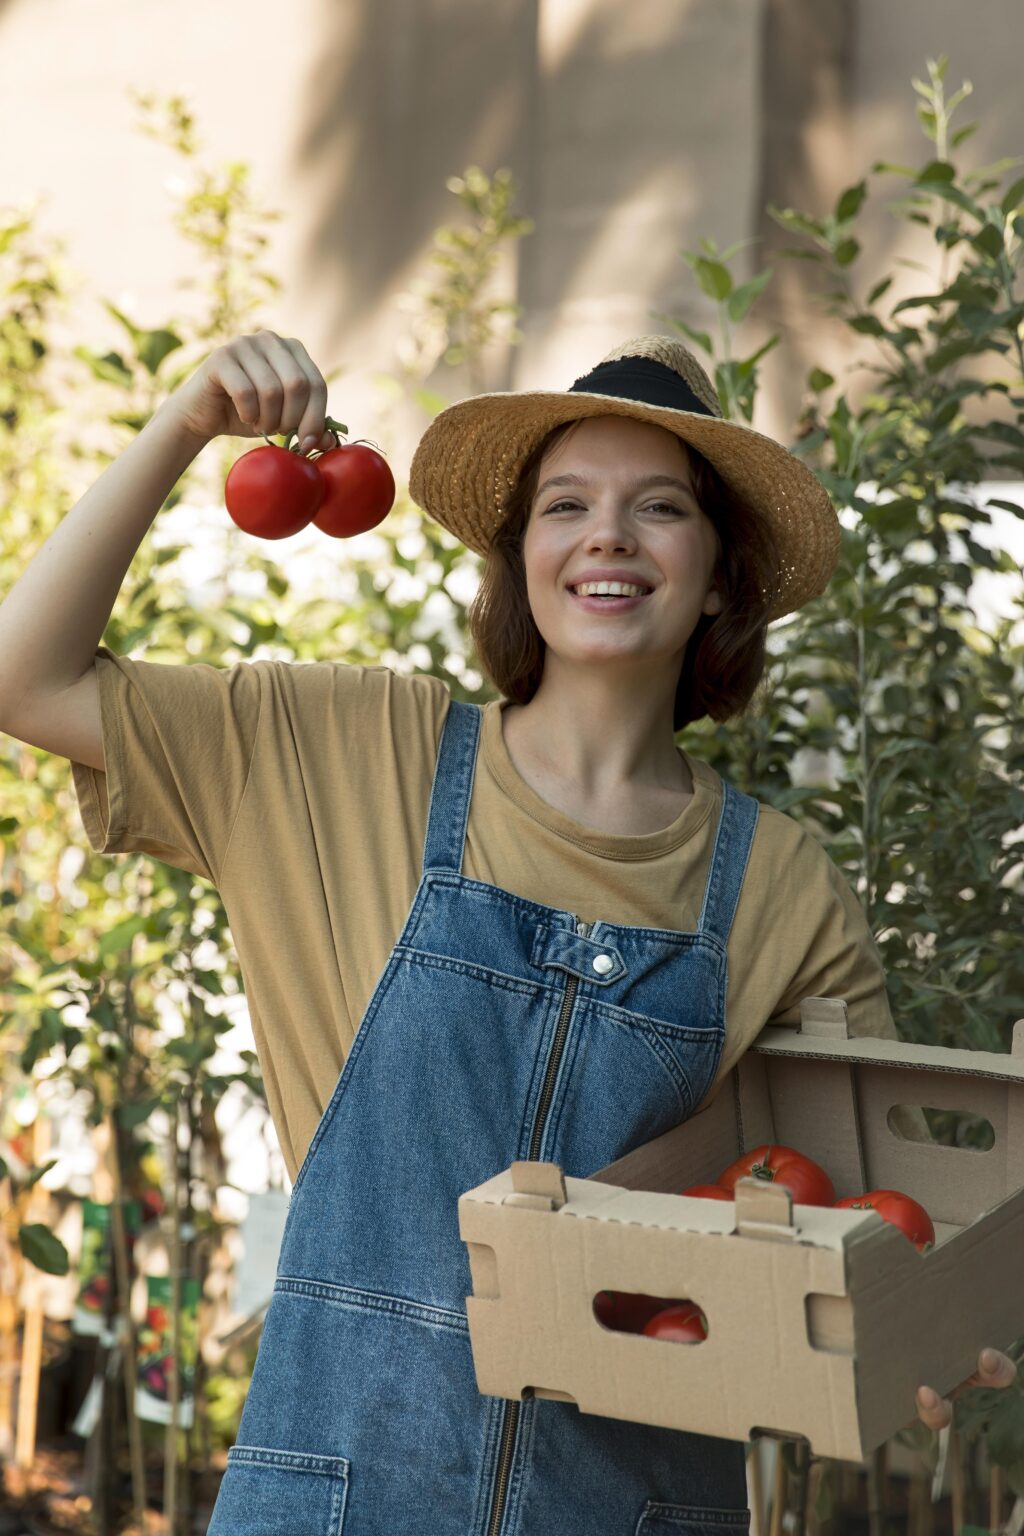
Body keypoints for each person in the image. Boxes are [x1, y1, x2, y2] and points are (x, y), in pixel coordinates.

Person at [0, 330, 1013, 1533]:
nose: (607, 537)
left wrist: (919, 1329)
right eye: (565, 504)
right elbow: (26, 679)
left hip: (632, 1507)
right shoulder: (346, 750)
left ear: (722, 575)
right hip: (334, 1492)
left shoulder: (782, 887)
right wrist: (181, 426)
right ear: (517, 555)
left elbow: (850, 1220)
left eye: (661, 509)